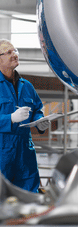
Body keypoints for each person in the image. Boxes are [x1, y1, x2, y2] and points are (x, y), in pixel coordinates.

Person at [0, 39, 50, 192]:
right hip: (2, 153)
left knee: (29, 195)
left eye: (15, 51)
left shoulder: (27, 86)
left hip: (25, 154)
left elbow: (37, 109)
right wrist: (10, 119)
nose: (14, 54)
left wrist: (39, 121)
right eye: (9, 52)